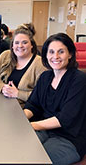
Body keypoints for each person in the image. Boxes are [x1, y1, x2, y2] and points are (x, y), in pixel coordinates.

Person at [23, 33, 86, 165]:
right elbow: (33, 105)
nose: (55, 57)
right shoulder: (46, 77)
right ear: (45, 55)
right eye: (51, 52)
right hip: (44, 130)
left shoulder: (79, 80)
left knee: (33, 159)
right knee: (17, 149)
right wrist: (21, 119)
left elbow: (65, 119)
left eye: (61, 52)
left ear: (70, 54)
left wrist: (30, 126)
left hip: (69, 138)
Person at [0, 23, 46, 107]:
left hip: (23, 109)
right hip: (2, 103)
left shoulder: (40, 64)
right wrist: (3, 87)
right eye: (16, 43)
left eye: (24, 42)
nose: (20, 46)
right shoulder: (5, 55)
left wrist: (18, 94)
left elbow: (43, 97)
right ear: (12, 45)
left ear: (31, 45)